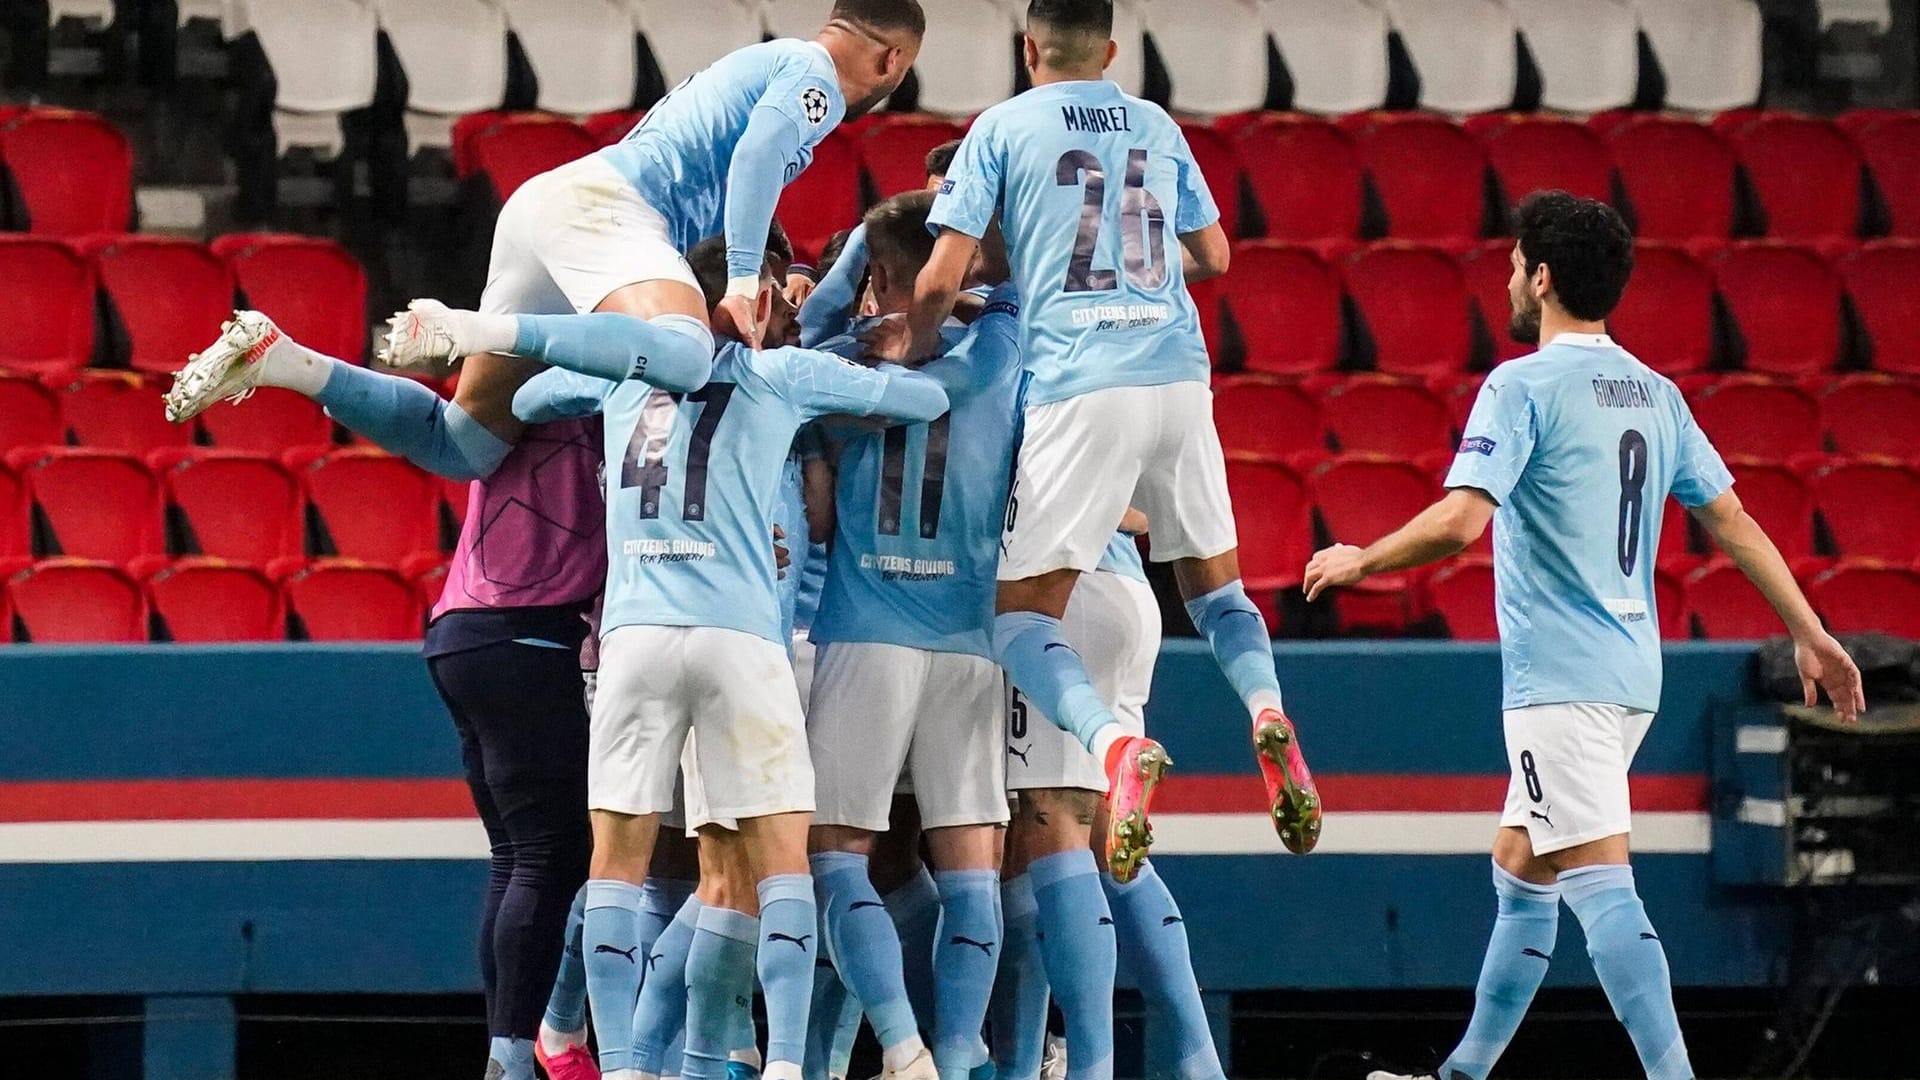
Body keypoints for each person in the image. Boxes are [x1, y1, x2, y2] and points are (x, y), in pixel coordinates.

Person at [1301, 191, 1866, 1080]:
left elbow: (1458, 524)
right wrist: (1811, 631)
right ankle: (1462, 1074)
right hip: (1631, 673)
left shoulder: (1520, 385)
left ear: (1544, 275)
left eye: (1515, 261)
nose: (1507, 276)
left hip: (1559, 682)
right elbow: (1734, 519)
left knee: (1601, 884)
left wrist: (1359, 559)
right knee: (1523, 864)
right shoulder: (1655, 391)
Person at [882, 0, 1320, 881]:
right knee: (1215, 588)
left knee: (1021, 621)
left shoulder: (1001, 127)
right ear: (1113, 50)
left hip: (1083, 383)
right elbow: (1217, 256)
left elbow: (937, 275)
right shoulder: (1154, 124)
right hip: (1179, 377)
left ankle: (1117, 747)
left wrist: (917, 345)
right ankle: (1267, 710)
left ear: (1029, 46)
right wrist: (1138, 272)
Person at [509, 233, 954, 1080]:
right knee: (780, 855)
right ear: (746, 293)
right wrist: (882, 348)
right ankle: (787, 1062)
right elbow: (922, 404)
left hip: (636, 638)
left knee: (620, 862)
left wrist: (621, 351)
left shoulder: (624, 369)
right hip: (744, 639)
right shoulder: (782, 375)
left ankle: (628, 1065)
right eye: (778, 292)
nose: (788, 305)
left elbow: (530, 398)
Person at [359, 0, 922, 390]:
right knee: (684, 356)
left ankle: (297, 366)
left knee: (470, 441)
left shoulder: (773, 64)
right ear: (894, 60)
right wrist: (745, 282)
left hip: (556, 204)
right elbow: (757, 159)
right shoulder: (813, 76)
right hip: (613, 210)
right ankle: (472, 328)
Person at [803, 191, 1023, 1080]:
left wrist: (871, 252)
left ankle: (901, 1048)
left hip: (866, 632)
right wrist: (962, 282)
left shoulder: (838, 365)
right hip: (971, 639)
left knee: (835, 855)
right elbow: (1012, 294)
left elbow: (807, 329)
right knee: (972, 858)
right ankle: (964, 1053)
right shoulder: (1001, 354)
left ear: (877, 275)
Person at [997, 520, 1223, 1080]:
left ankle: (1083, 1068)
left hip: (1059, 596)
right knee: (1104, 843)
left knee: (1050, 820)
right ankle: (1202, 1064)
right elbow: (1144, 516)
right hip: (1129, 592)